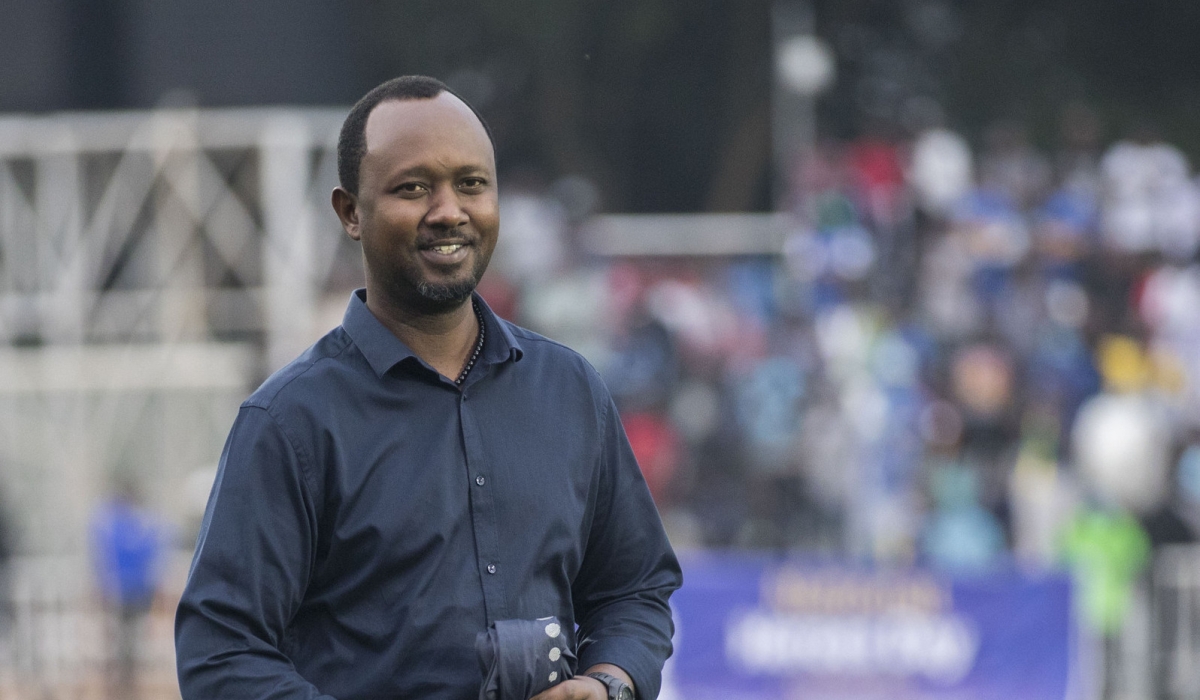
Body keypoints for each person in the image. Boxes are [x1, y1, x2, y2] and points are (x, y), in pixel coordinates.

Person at [174, 75, 682, 700]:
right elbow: (221, 654)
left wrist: (609, 682)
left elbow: (634, 591)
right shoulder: (290, 421)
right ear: (351, 212)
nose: (449, 211)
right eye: (413, 188)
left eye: (471, 184)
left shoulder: (571, 389)